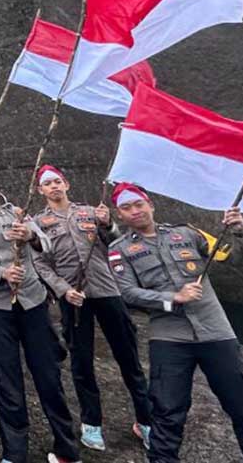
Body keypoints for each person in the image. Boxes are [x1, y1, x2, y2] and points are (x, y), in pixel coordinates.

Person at [108, 183, 243, 463]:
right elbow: (127, 293)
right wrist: (173, 298)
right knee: (167, 411)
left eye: (139, 204)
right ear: (120, 215)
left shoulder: (188, 233)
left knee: (242, 405)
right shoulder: (119, 250)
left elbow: (237, 260)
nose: (134, 211)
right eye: (126, 208)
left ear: (150, 205)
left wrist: (239, 233)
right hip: (169, 337)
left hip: (216, 332)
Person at [0, 166, 81, 463]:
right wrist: (2, 273)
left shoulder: (17, 214)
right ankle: (14, 452)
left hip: (32, 302)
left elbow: (45, 245)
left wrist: (31, 236)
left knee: (48, 376)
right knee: (7, 380)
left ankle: (66, 449)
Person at [30, 165, 151, 452]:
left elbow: (116, 244)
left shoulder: (90, 212)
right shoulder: (37, 223)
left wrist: (108, 224)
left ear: (67, 184)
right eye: (48, 183)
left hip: (107, 289)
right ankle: (91, 422)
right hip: (73, 296)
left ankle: (146, 420)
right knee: (81, 361)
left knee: (129, 357)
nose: (54, 186)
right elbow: (40, 263)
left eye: (57, 181)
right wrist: (62, 289)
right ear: (40, 190)